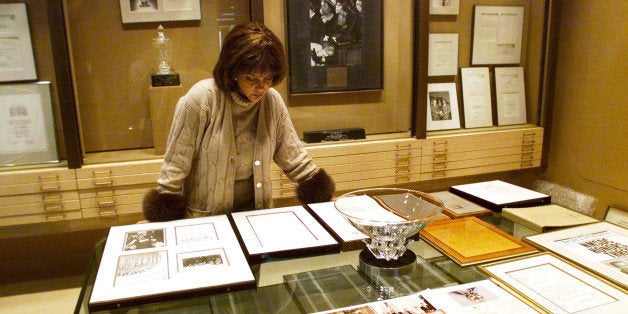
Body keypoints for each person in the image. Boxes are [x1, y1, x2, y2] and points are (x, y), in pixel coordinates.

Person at [142, 22, 335, 221]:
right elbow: (176, 166)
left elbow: (295, 158)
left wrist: (324, 197)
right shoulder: (201, 100)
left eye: (268, 79)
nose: (261, 87)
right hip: (205, 219)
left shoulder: (272, 102)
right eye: (252, 78)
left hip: (257, 217)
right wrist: (160, 221)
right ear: (233, 71)